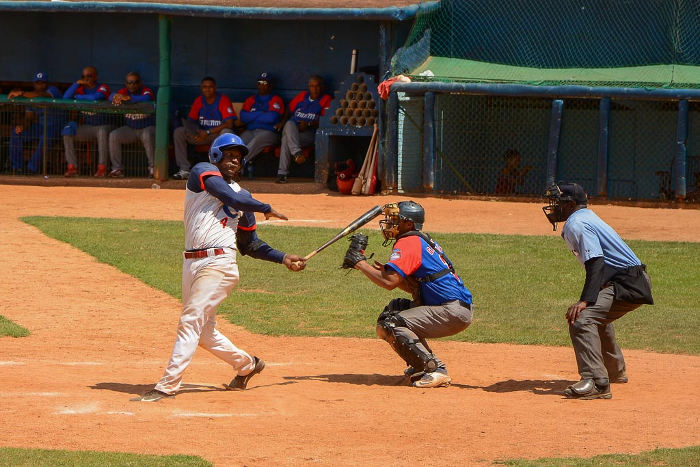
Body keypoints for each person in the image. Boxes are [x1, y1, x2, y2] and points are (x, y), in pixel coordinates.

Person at [139, 133, 307, 402]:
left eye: (239, 157)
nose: (235, 160)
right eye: (229, 155)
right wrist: (265, 206)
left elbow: (249, 245)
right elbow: (231, 197)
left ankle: (167, 385)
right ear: (215, 155)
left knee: (190, 321)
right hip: (191, 263)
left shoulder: (245, 197)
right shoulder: (202, 172)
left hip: (219, 264)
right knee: (204, 333)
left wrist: (282, 257)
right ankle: (247, 364)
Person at [342, 201, 474, 388]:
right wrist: (374, 269)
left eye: (395, 220)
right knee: (395, 309)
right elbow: (413, 287)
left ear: (409, 224)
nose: (389, 223)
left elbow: (389, 282)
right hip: (452, 307)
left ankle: (434, 369)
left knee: (390, 324)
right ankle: (422, 363)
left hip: (451, 311)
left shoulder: (409, 242)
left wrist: (360, 263)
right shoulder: (419, 239)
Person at [542, 183, 654, 399]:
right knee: (597, 316)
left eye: (558, 202)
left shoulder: (578, 223)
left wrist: (585, 300)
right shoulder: (587, 217)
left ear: (571, 204)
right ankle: (614, 371)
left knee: (582, 319)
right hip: (629, 279)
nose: (554, 207)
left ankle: (596, 382)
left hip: (627, 283)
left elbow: (596, 262)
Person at [172, 76, 236, 180]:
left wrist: (207, 132)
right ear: (201, 88)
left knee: (226, 133)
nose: (207, 89)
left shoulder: (223, 100)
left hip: (216, 136)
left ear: (215, 88)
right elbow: (191, 122)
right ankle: (184, 169)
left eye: (210, 87)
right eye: (204, 87)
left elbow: (229, 124)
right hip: (202, 135)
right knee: (179, 132)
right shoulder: (199, 101)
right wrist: (197, 132)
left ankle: (219, 170)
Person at [275, 75, 332, 184]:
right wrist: (282, 122)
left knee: (286, 140)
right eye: (312, 86)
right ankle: (297, 153)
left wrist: (309, 123)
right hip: (295, 131)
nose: (315, 89)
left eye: (317, 86)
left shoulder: (326, 99)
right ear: (308, 87)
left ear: (322, 87)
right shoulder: (302, 96)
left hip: (310, 134)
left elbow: (326, 121)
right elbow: (289, 108)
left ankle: (282, 173)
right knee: (289, 124)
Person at [7, 72, 62, 174]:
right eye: (38, 83)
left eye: (43, 83)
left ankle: (31, 168)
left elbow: (42, 95)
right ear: (34, 84)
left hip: (55, 126)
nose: (40, 85)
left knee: (45, 137)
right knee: (16, 133)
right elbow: (29, 118)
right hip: (40, 126)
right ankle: (18, 167)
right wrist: (22, 126)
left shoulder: (53, 90)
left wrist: (21, 93)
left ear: (47, 83)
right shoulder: (30, 96)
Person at [62, 66, 111, 177]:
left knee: (102, 131)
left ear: (95, 76)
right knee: (67, 132)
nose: (86, 79)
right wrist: (76, 84)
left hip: (106, 125)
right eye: (83, 76)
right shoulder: (80, 88)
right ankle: (72, 167)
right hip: (88, 127)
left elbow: (97, 97)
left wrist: (78, 97)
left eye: (89, 76)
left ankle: (102, 168)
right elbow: (65, 98)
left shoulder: (103, 87)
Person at [107, 72, 156, 178]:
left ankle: (153, 168)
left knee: (147, 135)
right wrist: (116, 97)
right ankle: (117, 169)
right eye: (130, 83)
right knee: (114, 135)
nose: (132, 85)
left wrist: (128, 98)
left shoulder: (146, 91)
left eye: (135, 82)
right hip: (131, 129)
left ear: (140, 83)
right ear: (126, 84)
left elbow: (146, 98)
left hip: (147, 127)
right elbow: (110, 96)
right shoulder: (123, 91)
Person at [239, 72, 285, 178]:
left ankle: (236, 168)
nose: (262, 85)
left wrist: (253, 116)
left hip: (270, 133)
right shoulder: (251, 99)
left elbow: (272, 118)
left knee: (255, 142)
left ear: (270, 85)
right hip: (250, 131)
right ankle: (234, 170)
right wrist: (262, 113)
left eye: (265, 82)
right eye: (260, 82)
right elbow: (243, 117)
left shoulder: (276, 99)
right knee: (238, 144)